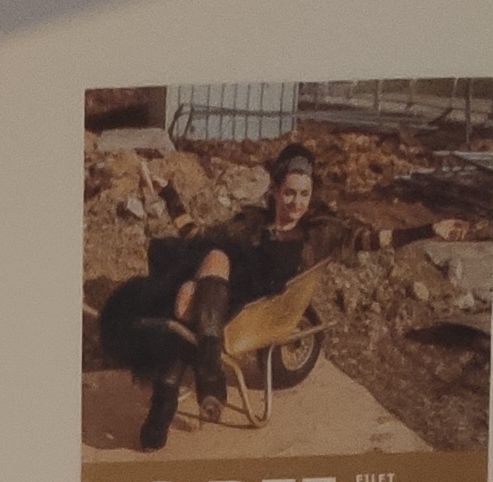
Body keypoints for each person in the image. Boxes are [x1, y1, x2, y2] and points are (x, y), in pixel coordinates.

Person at [97, 144, 408, 447]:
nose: (296, 203)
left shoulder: (319, 232)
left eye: (304, 194)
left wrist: (428, 231)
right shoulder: (252, 223)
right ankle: (209, 378)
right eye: (289, 193)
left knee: (189, 298)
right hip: (219, 297)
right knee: (198, 279)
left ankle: (164, 409)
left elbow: (372, 239)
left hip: (254, 305)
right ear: (274, 191)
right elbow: (196, 235)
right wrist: (169, 194)